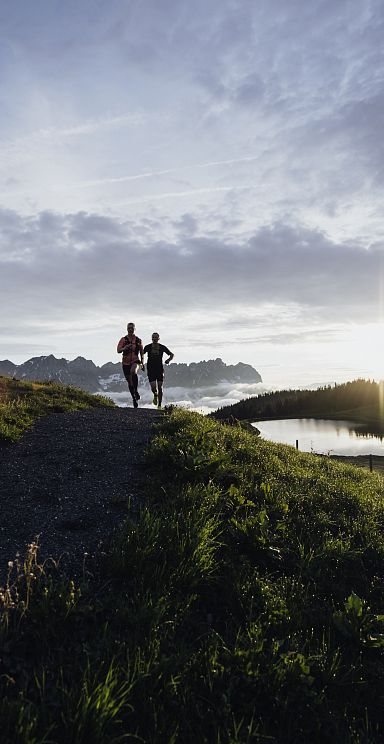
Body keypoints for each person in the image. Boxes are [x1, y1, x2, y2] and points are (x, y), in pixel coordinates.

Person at [143, 332, 174, 409]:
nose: (154, 339)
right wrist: (141, 363)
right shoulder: (147, 347)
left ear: (158, 338)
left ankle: (159, 404)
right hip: (150, 369)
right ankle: (155, 395)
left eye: (156, 337)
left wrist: (168, 360)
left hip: (159, 369)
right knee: (154, 388)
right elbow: (141, 354)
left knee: (160, 387)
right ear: (151, 338)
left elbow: (171, 354)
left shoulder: (162, 347)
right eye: (153, 337)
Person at [117, 322, 144, 408]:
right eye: (129, 328)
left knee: (133, 371)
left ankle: (136, 391)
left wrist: (142, 363)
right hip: (125, 362)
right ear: (127, 329)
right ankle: (134, 398)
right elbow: (118, 350)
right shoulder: (123, 339)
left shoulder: (138, 340)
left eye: (132, 328)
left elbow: (142, 353)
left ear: (134, 329)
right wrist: (124, 348)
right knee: (130, 382)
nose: (130, 329)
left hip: (136, 361)